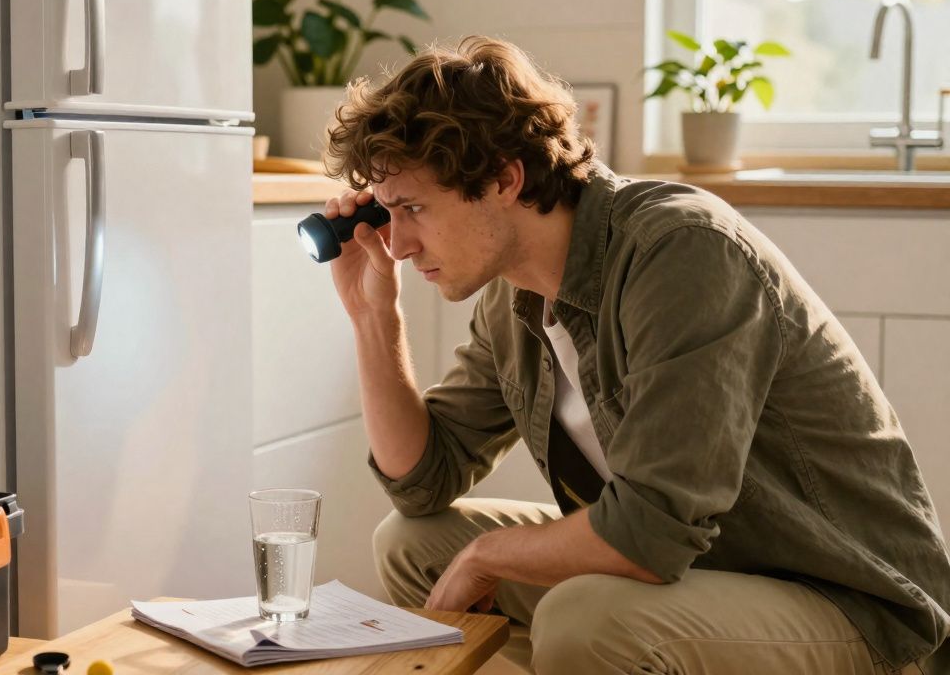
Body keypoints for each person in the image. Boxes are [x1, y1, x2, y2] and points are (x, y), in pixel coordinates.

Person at [319, 35, 949, 674]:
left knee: (584, 617)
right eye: (389, 213)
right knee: (413, 544)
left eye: (414, 209)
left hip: (850, 606)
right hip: (699, 573)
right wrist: (374, 318)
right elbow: (422, 484)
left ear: (504, 179)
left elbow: (650, 528)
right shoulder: (512, 297)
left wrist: (487, 558)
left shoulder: (681, 251)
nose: (396, 244)